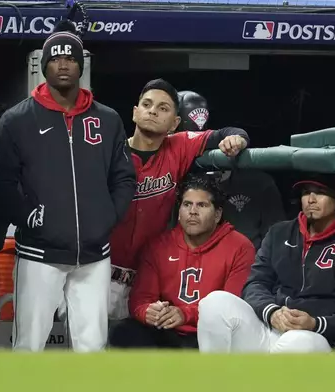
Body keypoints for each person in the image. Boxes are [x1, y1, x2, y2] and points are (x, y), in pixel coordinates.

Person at [0, 20, 136, 352]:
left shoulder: (107, 119)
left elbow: (124, 176)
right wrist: (28, 217)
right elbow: (2, 181)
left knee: (92, 345)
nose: (63, 64)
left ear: (80, 65)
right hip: (39, 253)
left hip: (94, 254)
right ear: (44, 66)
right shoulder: (17, 119)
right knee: (29, 344)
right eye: (55, 58)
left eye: (70, 58)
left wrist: (107, 217)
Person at [107, 79, 250, 321]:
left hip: (146, 279)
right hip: (100, 273)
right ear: (134, 112)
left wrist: (237, 139)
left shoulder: (179, 146)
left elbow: (227, 133)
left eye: (163, 108)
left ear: (175, 123)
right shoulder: (108, 152)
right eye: (147, 104)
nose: (152, 110)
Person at [197, 175, 335, 353]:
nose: (311, 199)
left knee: (296, 342)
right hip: (271, 326)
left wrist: (315, 323)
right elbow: (255, 284)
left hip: (316, 337)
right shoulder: (280, 232)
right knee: (214, 302)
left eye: (320, 193)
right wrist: (272, 312)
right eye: (306, 193)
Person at [109, 175, 255, 348]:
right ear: (179, 212)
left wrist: (186, 314)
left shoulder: (240, 246)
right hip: (168, 330)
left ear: (217, 215)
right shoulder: (159, 245)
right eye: (187, 204)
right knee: (123, 332)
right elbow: (140, 299)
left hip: (210, 334)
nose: (193, 211)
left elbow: (232, 307)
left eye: (202, 205)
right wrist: (149, 312)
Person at [171, 90, 286, 248]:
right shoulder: (171, 177)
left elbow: (277, 243)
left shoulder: (258, 183)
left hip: (247, 266)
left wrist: (238, 139)